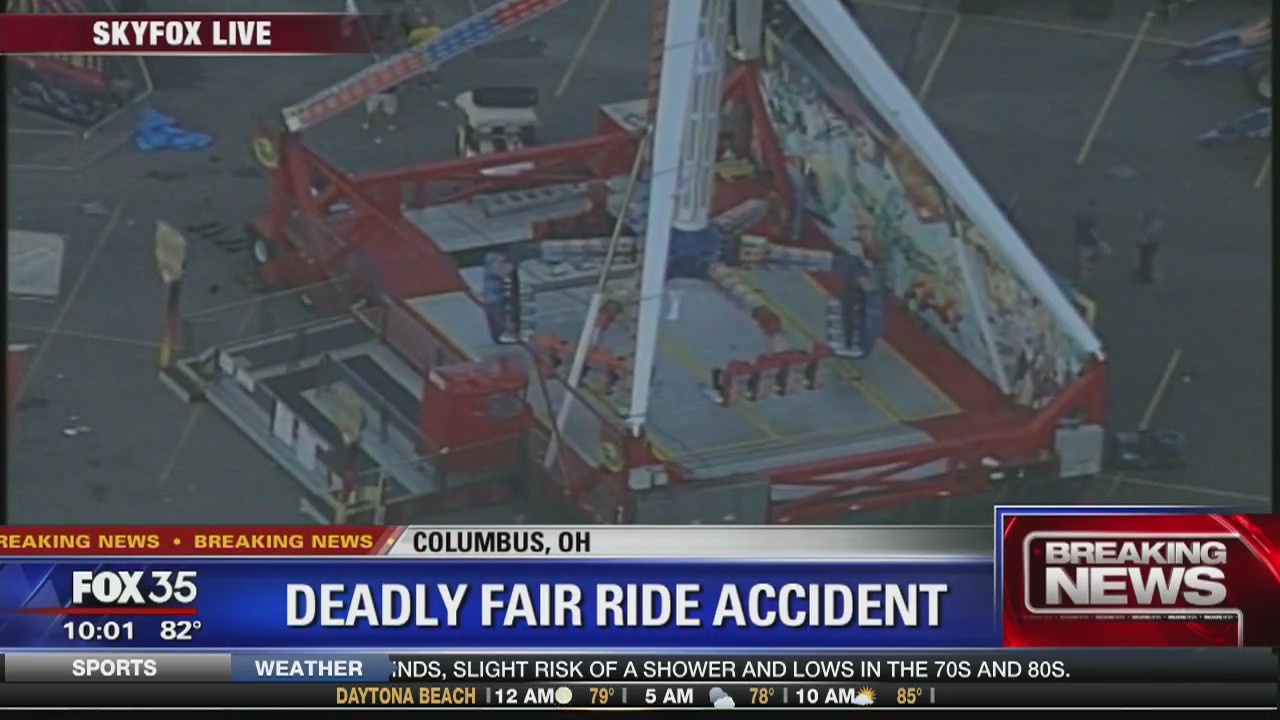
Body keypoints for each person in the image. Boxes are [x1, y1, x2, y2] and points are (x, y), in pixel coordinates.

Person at [1072, 199, 1111, 278]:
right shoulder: (1092, 218)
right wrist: (1099, 242)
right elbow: (1092, 232)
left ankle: (1085, 271)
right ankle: (1087, 271)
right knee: (1106, 252)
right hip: (1089, 241)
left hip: (1080, 240)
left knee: (1085, 257)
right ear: (1094, 207)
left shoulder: (1079, 215)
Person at [1134, 210, 1164, 284]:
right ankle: (1144, 274)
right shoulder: (1142, 218)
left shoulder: (1154, 223)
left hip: (1151, 242)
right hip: (1148, 242)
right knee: (1144, 259)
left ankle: (1146, 276)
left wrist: (1142, 239)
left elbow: (1149, 232)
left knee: (1147, 259)